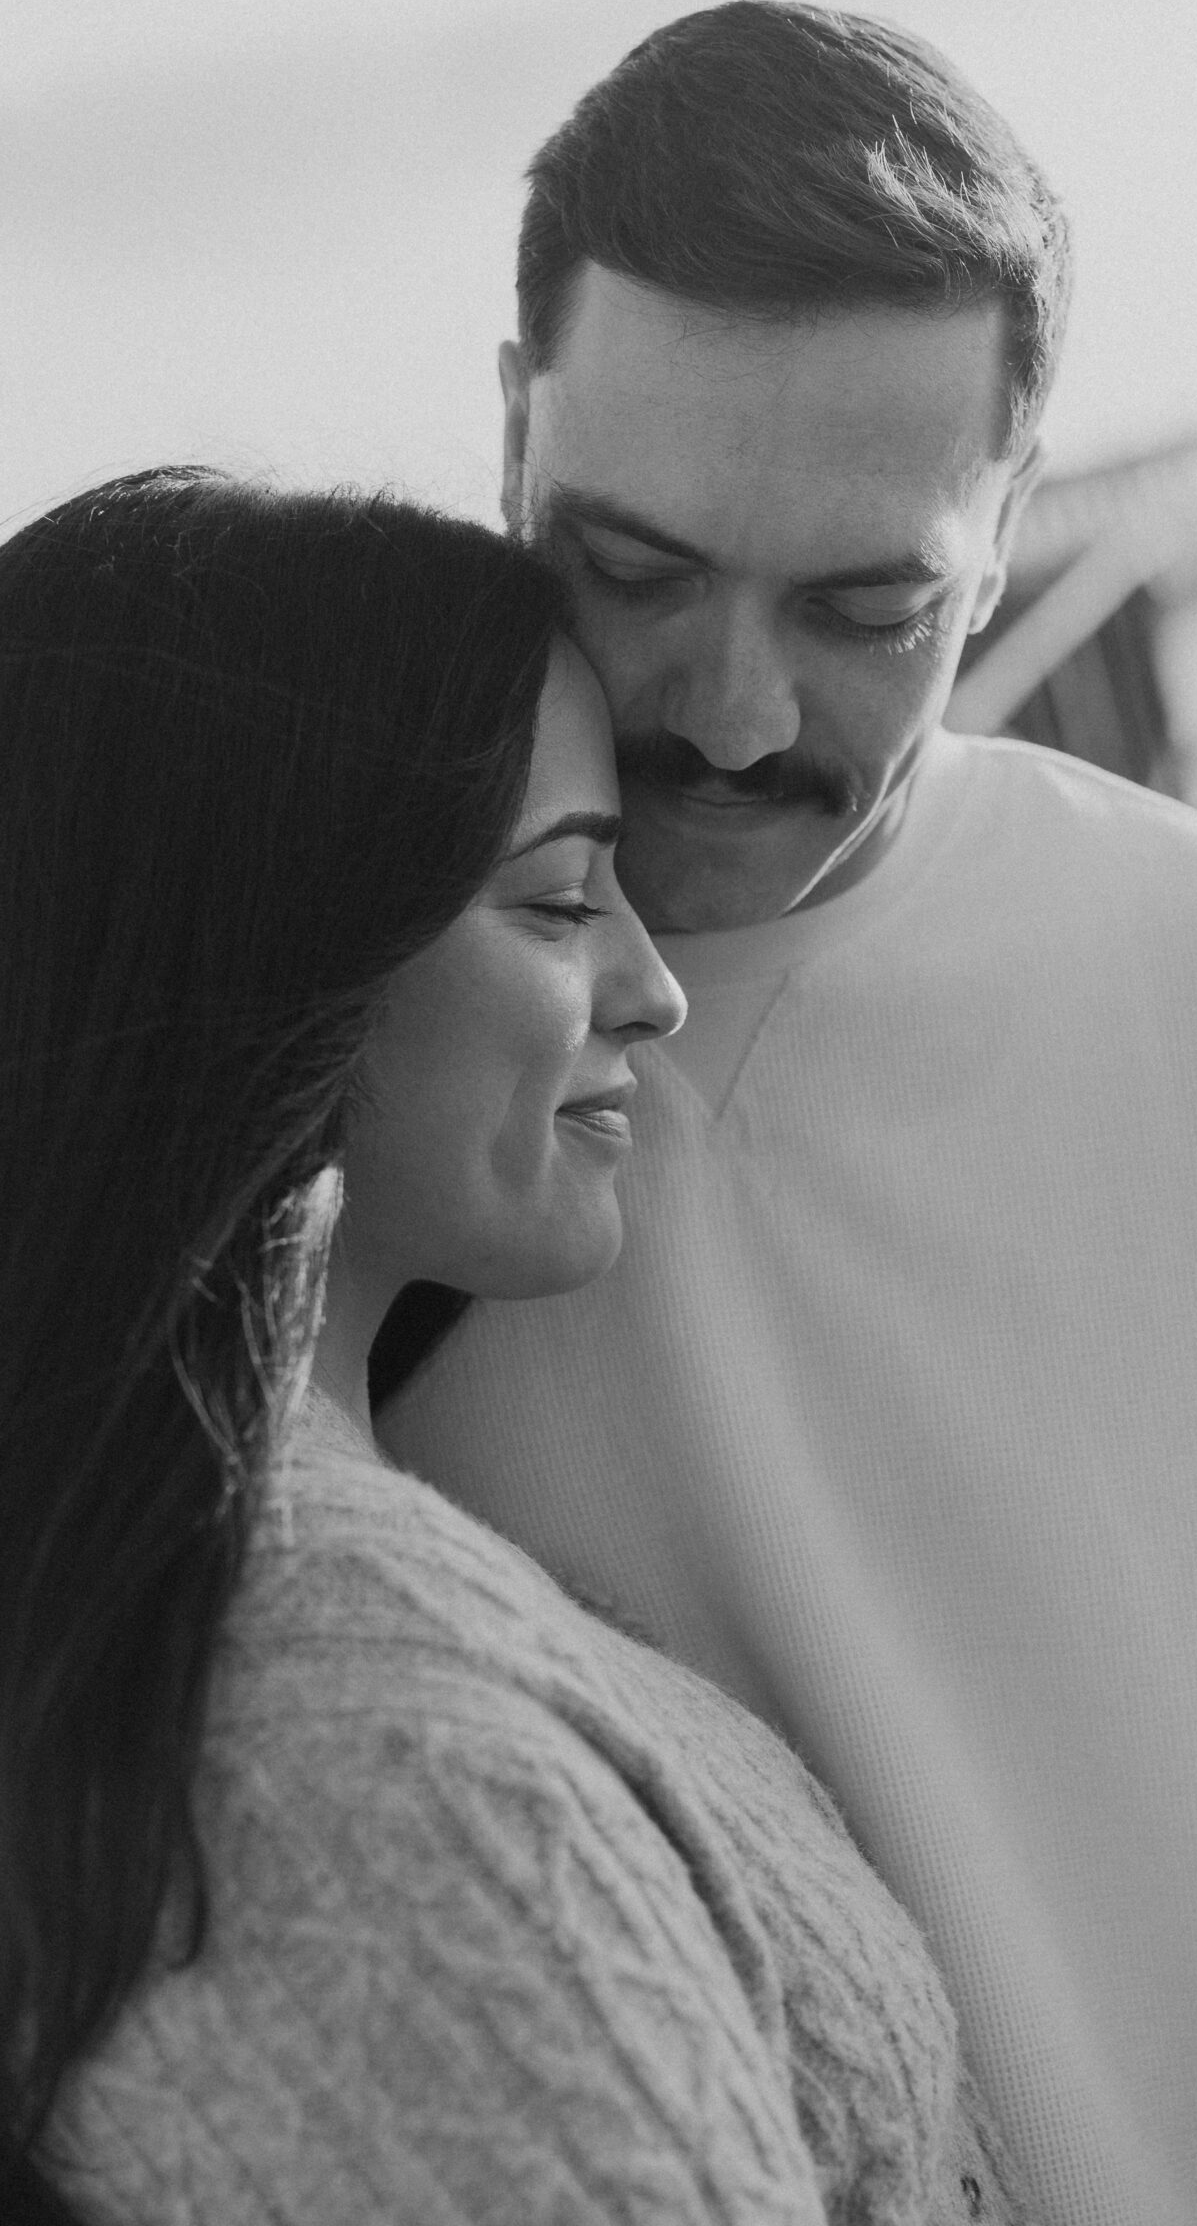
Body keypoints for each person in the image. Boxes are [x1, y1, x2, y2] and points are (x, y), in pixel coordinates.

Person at [375, 0, 1197, 2226]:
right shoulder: (341, 1092)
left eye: (864, 603)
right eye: (632, 569)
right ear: (510, 423)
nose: (727, 703)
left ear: (1010, 520)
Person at [1, 467, 1058, 2225]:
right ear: (276, 961)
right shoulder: (357, 1756)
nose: (654, 984)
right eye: (561, 903)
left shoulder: (268, 1587)